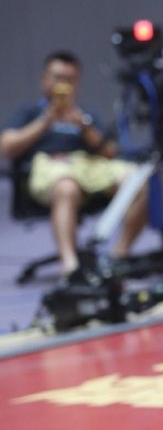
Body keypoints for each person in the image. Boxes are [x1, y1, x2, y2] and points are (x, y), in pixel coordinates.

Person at [0, 51, 147, 278]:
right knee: (67, 186)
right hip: (50, 168)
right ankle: (70, 266)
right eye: (58, 78)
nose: (64, 85)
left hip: (87, 167)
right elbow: (6, 147)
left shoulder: (85, 115)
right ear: (44, 80)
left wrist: (85, 128)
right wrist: (45, 121)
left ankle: (119, 255)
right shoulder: (30, 112)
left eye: (70, 79)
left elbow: (109, 152)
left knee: (137, 179)